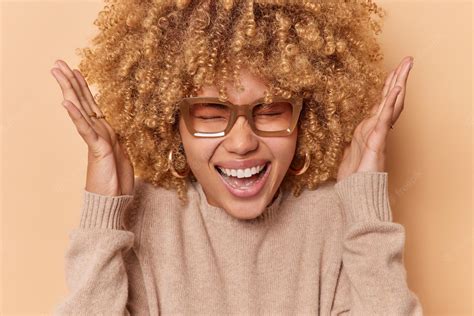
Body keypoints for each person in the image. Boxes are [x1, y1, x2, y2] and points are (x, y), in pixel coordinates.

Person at [51, 0, 423, 314]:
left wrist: (366, 211)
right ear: (171, 122)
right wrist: (102, 218)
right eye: (211, 113)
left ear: (305, 118)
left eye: (271, 110)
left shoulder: (336, 222)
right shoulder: (143, 221)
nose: (242, 142)